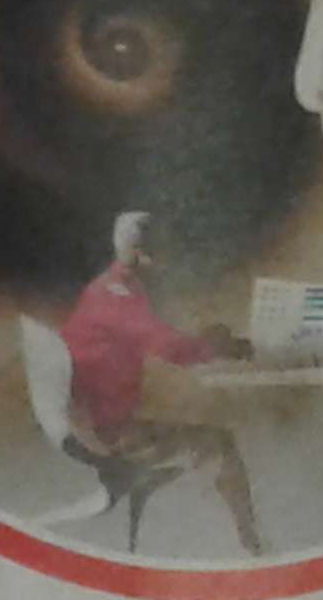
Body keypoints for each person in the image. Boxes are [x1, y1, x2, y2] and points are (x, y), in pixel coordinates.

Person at [57, 211, 266, 555]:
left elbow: (155, 338)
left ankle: (247, 542)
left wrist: (203, 342)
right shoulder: (120, 296)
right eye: (162, 248)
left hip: (93, 424)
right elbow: (169, 348)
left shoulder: (108, 288)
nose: (169, 257)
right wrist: (219, 347)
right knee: (221, 443)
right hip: (107, 436)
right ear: (140, 253)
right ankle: (254, 548)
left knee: (203, 432)